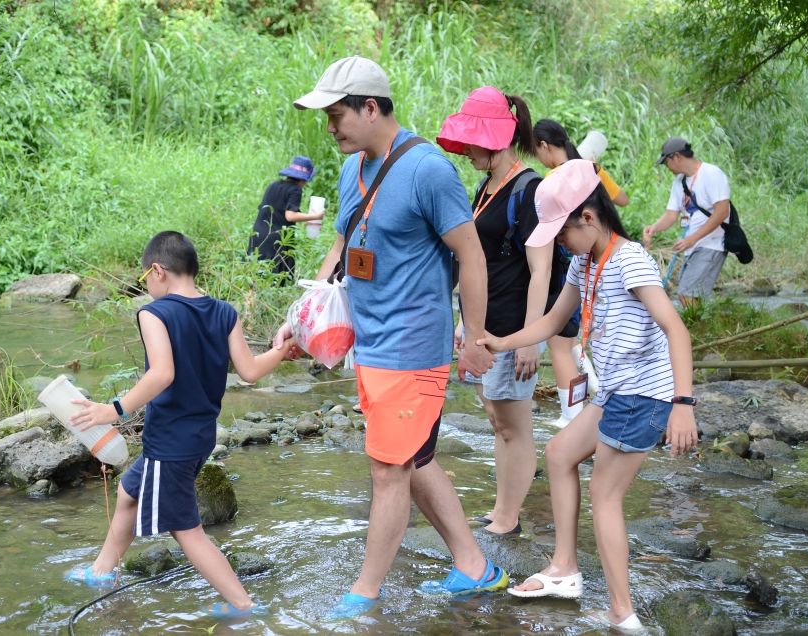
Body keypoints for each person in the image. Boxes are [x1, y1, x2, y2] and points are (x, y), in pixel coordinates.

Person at [276, 55, 505, 619]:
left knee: (387, 470)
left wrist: (474, 336)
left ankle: (365, 593)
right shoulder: (352, 169)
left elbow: (471, 255)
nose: (330, 128)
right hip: (369, 346)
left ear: (371, 107)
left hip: (413, 347)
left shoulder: (427, 170)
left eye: (336, 116)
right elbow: (339, 251)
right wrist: (304, 315)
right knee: (414, 460)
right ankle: (476, 567)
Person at [479, 160, 697, 632]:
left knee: (605, 493)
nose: (559, 243)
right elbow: (554, 322)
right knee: (558, 454)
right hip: (616, 390)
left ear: (589, 218)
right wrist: (504, 341)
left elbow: (676, 331)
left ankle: (623, 613)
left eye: (561, 232)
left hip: (644, 395)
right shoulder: (584, 261)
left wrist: (683, 406)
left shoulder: (630, 259)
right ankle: (565, 570)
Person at [64, 231, 295, 619]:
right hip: (200, 436)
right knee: (129, 493)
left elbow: (162, 374)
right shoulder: (224, 311)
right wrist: (282, 348)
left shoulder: (154, 313)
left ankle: (244, 606)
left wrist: (112, 410)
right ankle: (102, 572)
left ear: (157, 271)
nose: (147, 287)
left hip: (170, 442)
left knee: (186, 529)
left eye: (144, 279)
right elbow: (251, 371)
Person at [436, 86, 573, 536]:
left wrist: (533, 338)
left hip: (515, 327)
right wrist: (464, 324)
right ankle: (500, 508)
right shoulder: (486, 186)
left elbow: (542, 267)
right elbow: (478, 260)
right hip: (485, 326)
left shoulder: (529, 189)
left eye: (472, 141)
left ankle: (510, 517)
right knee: (497, 421)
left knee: (514, 426)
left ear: (495, 139)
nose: (466, 150)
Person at [533, 118, 621, 428]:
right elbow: (621, 200)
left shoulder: (554, 179)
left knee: (560, 343)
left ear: (545, 146)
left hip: (564, 265)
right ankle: (592, 387)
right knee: (571, 338)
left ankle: (572, 415)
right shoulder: (589, 168)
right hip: (590, 258)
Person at [643, 137, 731, 307]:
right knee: (687, 295)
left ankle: (698, 331)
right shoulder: (680, 182)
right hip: (693, 245)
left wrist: (692, 239)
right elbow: (671, 215)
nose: (666, 167)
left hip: (711, 244)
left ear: (677, 156)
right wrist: (655, 227)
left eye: (666, 162)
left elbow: (722, 212)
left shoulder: (711, 174)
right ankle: (700, 329)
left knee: (688, 294)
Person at [247, 156, 324, 276]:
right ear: (305, 179)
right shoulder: (295, 190)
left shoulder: (274, 185)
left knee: (254, 277)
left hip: (257, 234)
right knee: (275, 279)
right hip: (277, 239)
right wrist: (315, 217)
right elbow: (290, 216)